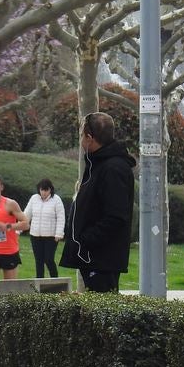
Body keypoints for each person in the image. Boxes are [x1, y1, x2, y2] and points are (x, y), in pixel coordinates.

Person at [59, 111, 136, 293]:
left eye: (81, 135)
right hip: (92, 257)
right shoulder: (98, 165)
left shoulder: (112, 168)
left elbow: (116, 216)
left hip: (101, 258)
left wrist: (86, 240)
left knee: (103, 304)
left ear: (90, 137)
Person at [0, 174, 28, 280]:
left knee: (10, 290)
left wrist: (7, 226)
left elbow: (26, 224)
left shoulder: (10, 204)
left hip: (9, 252)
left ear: (1, 187)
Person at [23, 178, 65, 279]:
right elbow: (26, 215)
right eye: (42, 190)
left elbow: (61, 217)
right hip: (35, 235)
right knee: (39, 260)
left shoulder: (56, 200)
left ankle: (55, 280)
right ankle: (39, 282)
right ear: (39, 189)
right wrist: (19, 228)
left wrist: (59, 233)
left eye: (46, 190)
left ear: (50, 190)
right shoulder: (34, 198)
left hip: (51, 236)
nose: (44, 192)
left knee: (49, 259)